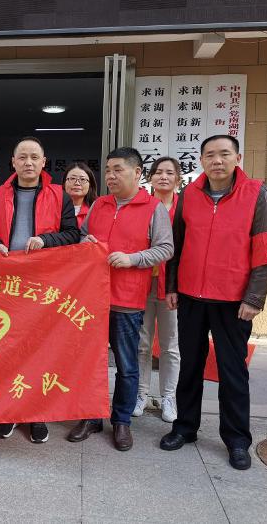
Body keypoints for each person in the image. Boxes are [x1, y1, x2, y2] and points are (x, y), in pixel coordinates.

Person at [160, 135, 267, 471]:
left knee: (232, 371)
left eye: (224, 154)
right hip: (190, 296)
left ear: (237, 158)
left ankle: (237, 440)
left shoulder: (257, 193)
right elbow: (177, 245)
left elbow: (266, 249)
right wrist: (172, 286)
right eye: (210, 155)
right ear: (201, 160)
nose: (217, 161)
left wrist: (254, 297)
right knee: (190, 366)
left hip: (233, 300)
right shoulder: (189, 194)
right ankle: (184, 427)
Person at [67, 147, 173, 451]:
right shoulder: (99, 205)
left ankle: (122, 420)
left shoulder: (153, 208)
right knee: (90, 361)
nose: (111, 176)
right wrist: (86, 241)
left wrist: (133, 258)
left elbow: (165, 248)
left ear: (137, 173)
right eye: (108, 170)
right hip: (92, 298)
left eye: (118, 170)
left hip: (127, 298)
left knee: (127, 364)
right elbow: (81, 236)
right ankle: (90, 417)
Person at [0, 136, 80, 444]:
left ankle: (37, 413)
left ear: (44, 162)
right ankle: (9, 410)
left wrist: (45, 240)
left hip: (44, 284)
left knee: (40, 349)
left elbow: (72, 234)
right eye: (22, 157)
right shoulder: (0, 195)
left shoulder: (59, 195)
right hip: (8, 284)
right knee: (7, 347)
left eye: (34, 157)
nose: (28, 162)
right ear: (13, 162)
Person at [134, 157, 182, 423]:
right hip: (141, 283)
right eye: (158, 172)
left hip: (172, 286)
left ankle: (168, 397)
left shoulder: (184, 209)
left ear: (178, 179)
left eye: (169, 173)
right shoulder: (143, 206)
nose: (163, 177)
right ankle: (140, 393)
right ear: (149, 178)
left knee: (170, 345)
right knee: (142, 344)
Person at [63, 161, 98, 228]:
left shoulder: (97, 209)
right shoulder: (53, 207)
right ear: (64, 183)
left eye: (82, 179)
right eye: (72, 178)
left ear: (90, 185)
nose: (77, 183)